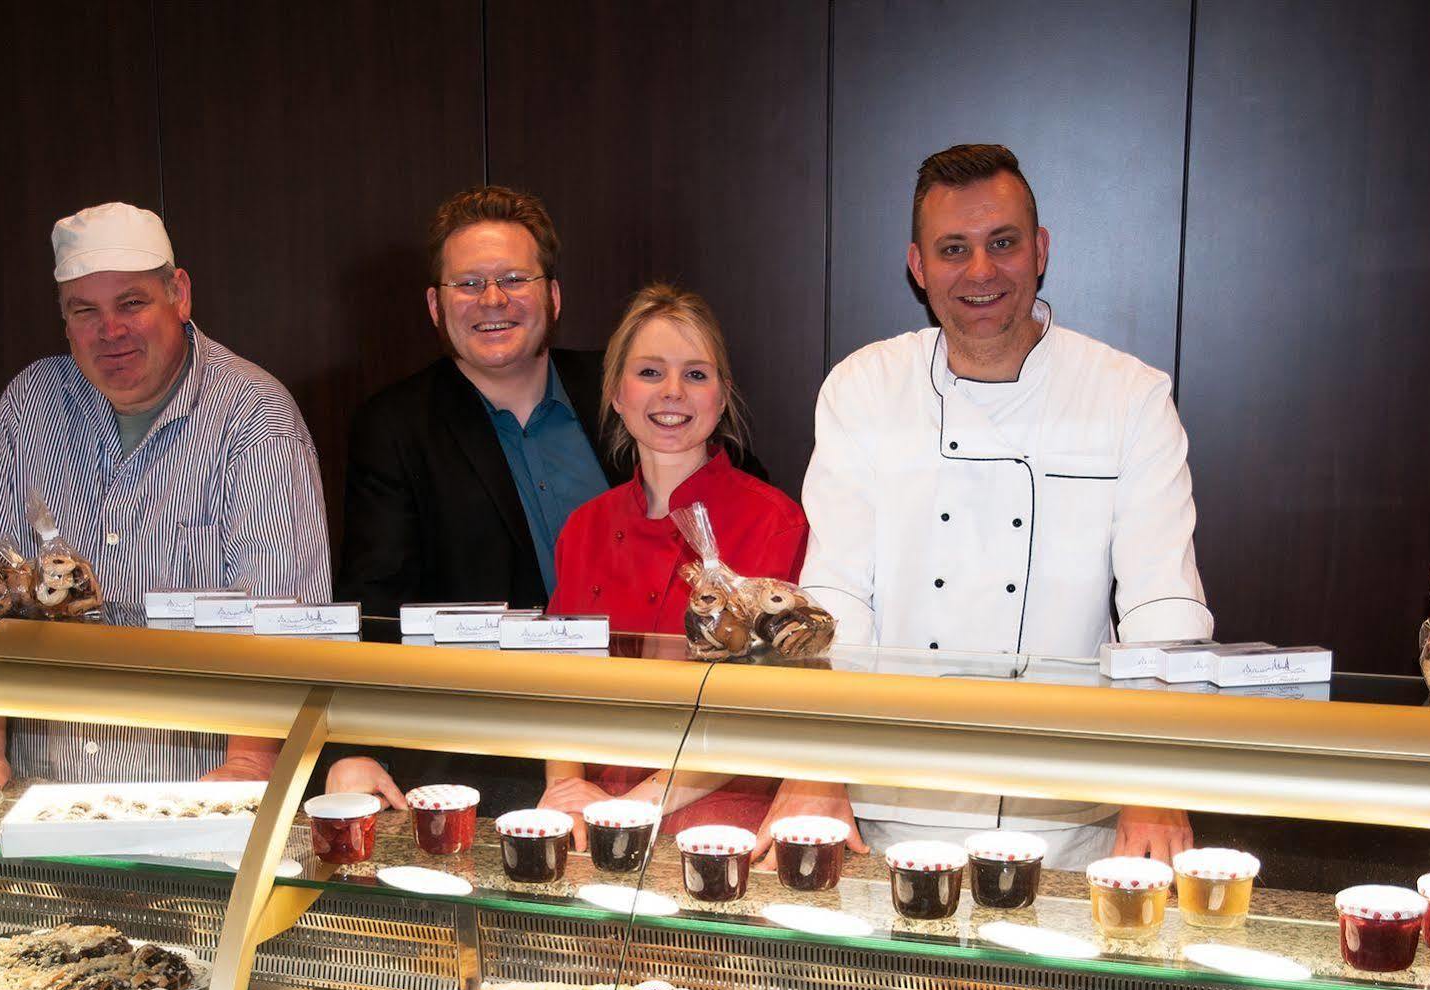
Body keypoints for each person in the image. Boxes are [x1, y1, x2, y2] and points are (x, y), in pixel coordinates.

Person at [789, 144, 1212, 867]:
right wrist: (814, 769)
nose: (980, 272)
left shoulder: (1126, 394)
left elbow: (1160, 604)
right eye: (953, 249)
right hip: (894, 807)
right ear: (918, 266)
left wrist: (1154, 782)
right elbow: (834, 599)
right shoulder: (863, 388)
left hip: (1067, 815)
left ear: (1039, 250)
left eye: (1002, 243)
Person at [0, 201, 331, 788]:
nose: (109, 331)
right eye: (84, 310)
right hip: (41, 782)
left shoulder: (255, 415)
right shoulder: (30, 402)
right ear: (64, 319)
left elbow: (280, 619)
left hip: (194, 784)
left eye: (132, 303)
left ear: (180, 294)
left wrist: (248, 766)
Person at [541, 284, 808, 847]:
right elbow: (557, 686)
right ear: (616, 392)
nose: (672, 392)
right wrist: (564, 790)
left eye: (695, 374)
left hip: (718, 822)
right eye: (649, 372)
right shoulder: (583, 527)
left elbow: (761, 709)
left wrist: (638, 804)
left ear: (722, 395)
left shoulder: (774, 521)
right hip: (590, 820)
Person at [337, 185, 619, 619]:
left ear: (554, 297)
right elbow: (378, 609)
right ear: (436, 306)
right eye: (468, 284)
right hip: (486, 685)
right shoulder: (393, 430)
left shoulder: (624, 390)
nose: (492, 299)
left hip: (644, 680)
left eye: (514, 279)